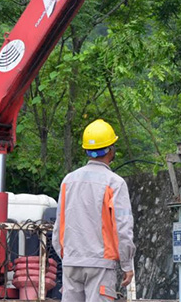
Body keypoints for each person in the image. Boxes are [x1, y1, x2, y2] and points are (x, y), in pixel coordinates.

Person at [53, 119, 136, 301]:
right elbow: (122, 228)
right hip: (100, 264)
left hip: (71, 262)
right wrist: (126, 264)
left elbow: (59, 224)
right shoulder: (115, 183)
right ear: (110, 150)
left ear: (87, 151)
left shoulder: (68, 181)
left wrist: (66, 257)